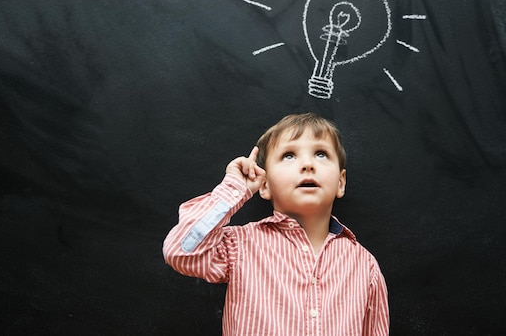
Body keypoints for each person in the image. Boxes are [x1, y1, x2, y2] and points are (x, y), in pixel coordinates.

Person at [163, 113, 389, 335]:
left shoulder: (364, 265)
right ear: (265, 185)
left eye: (321, 154)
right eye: (289, 155)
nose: (308, 164)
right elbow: (180, 252)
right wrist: (234, 189)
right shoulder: (240, 246)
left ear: (340, 183)